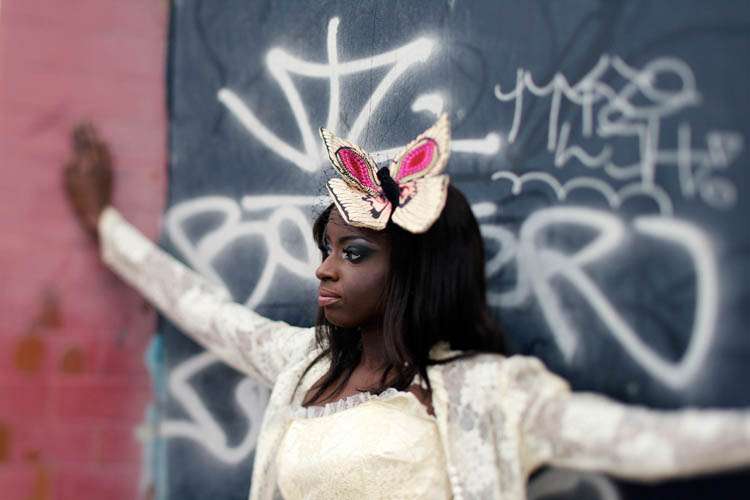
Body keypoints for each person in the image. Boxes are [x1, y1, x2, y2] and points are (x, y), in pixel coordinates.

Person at [64, 116, 750, 500]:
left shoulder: (485, 393)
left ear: (416, 271)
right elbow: (201, 308)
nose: (325, 268)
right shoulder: (303, 368)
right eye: (327, 248)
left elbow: (645, 439)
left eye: (354, 252)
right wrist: (105, 226)